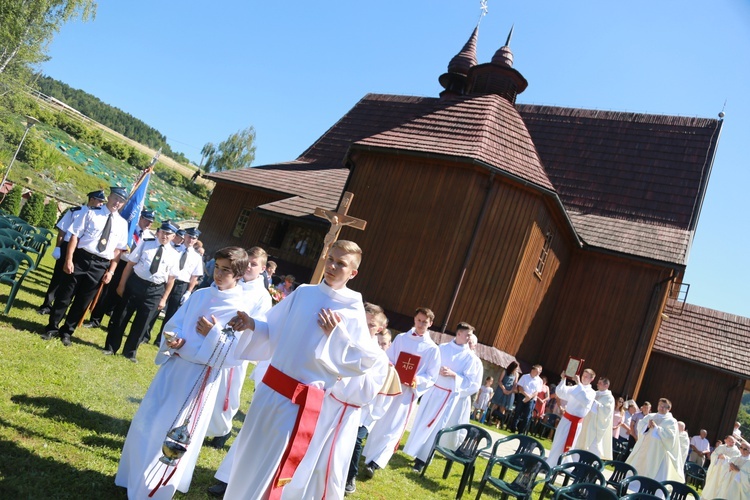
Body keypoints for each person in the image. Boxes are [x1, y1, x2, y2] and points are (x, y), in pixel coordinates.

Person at [220, 240, 383, 499]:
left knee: (271, 466)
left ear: (353, 273)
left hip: (298, 401)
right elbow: (274, 329)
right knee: (247, 456)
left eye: (341, 263)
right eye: (330, 258)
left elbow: (365, 360)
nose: (332, 266)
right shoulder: (304, 292)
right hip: (270, 389)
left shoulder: (352, 307)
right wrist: (252, 324)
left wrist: (335, 336)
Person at [114, 246, 253, 499]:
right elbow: (175, 324)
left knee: (176, 430)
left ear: (239, 274)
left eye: (226, 271)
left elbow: (234, 355)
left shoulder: (241, 309)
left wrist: (211, 334)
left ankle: (155, 487)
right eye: (217, 268)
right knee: (149, 422)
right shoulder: (200, 295)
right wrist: (174, 339)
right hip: (175, 369)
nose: (219, 275)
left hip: (199, 378)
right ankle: (132, 476)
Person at [282, 304, 389, 499]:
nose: (366, 327)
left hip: (347, 414)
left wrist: (346, 374)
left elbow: (367, 393)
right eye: (363, 322)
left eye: (371, 325)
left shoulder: (379, 357)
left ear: (380, 329)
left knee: (332, 464)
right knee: (307, 453)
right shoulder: (345, 341)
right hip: (326, 404)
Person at [42, 186, 129, 346]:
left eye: (121, 201)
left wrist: (111, 271)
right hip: (81, 258)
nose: (117, 202)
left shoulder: (122, 224)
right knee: (65, 296)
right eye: (116, 198)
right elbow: (74, 236)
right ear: (109, 197)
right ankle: (52, 327)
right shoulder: (90, 212)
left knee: (83, 302)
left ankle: (67, 331)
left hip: (100, 265)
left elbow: (118, 251)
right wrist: (69, 259)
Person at [204, 246, 273, 450]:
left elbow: (261, 324)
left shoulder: (263, 296)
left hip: (237, 348)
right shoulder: (233, 283)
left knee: (228, 392)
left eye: (254, 264)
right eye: (247, 262)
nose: (249, 267)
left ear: (262, 268)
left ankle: (222, 430)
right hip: (214, 339)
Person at [362, 307, 441, 477]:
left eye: (425, 322)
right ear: (414, 319)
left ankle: (376, 462)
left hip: (407, 393)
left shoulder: (432, 348)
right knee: (381, 421)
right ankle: (369, 455)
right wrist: (391, 367)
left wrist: (417, 380)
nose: (421, 324)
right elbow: (389, 358)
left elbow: (432, 375)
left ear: (430, 324)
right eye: (419, 320)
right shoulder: (401, 338)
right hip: (391, 385)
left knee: (394, 427)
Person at [403, 322, 482, 473]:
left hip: (447, 396)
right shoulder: (442, 348)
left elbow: (472, 383)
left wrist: (454, 375)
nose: (469, 338)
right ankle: (413, 451)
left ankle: (422, 460)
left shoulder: (470, 358)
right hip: (433, 391)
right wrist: (435, 370)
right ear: (459, 334)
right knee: (422, 422)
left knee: (436, 428)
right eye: (468, 335)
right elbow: (429, 365)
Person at [103, 221, 180, 362]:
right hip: (136, 284)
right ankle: (110, 347)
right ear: (158, 232)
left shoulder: (175, 255)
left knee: (142, 323)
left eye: (168, 234)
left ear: (173, 236)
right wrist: (121, 285)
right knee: (121, 316)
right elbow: (130, 265)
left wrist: (163, 299)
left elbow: (171, 280)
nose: (164, 236)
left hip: (155, 290)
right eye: (163, 232)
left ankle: (130, 352)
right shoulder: (145, 243)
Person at [84, 209, 157, 330]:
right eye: (147, 220)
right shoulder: (129, 229)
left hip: (134, 268)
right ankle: (95, 319)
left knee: (124, 296)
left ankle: (113, 323)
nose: (149, 223)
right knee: (107, 292)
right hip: (121, 263)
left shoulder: (150, 237)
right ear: (140, 217)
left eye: (151, 222)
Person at [38, 190, 106, 315]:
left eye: (102, 202)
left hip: (82, 251)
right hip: (67, 246)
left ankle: (61, 308)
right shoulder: (76, 211)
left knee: (72, 282)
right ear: (91, 199)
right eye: (99, 201)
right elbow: (62, 230)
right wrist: (58, 247)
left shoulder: (101, 216)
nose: (101, 204)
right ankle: (47, 305)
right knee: (58, 277)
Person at [153, 227, 204, 345]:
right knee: (157, 308)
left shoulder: (196, 257)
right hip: (169, 280)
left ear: (196, 240)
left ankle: (160, 339)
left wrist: (188, 292)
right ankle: (145, 334)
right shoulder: (174, 249)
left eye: (194, 238)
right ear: (185, 236)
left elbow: (194, 277)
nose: (191, 240)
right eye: (189, 236)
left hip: (182, 285)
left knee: (172, 314)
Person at [626, 398, 685, 482]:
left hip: (659, 452)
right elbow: (640, 426)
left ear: (669, 409)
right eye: (660, 406)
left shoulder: (672, 421)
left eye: (664, 407)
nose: (661, 408)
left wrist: (657, 428)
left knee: (655, 474)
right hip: (645, 448)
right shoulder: (650, 416)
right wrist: (647, 426)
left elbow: (670, 437)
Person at [546, 368, 596, 466]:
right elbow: (561, 393)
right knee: (558, 441)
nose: (583, 378)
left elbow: (585, 401)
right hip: (566, 419)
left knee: (567, 445)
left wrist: (579, 384)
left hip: (575, 422)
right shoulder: (575, 387)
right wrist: (563, 379)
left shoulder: (591, 392)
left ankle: (561, 464)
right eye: (583, 376)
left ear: (592, 379)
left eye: (586, 377)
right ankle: (552, 463)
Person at [576, 377, 615, 460]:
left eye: (600, 383)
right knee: (580, 442)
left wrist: (595, 404)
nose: (597, 384)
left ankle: (593, 466)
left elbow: (606, 412)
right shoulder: (595, 393)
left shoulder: (609, 398)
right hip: (587, 423)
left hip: (596, 427)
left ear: (606, 385)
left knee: (594, 446)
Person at [510, 364, 544, 434]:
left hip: (531, 399)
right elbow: (520, 387)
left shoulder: (539, 380)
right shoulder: (525, 377)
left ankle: (521, 431)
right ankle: (513, 428)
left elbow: (537, 391)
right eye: (537, 371)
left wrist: (529, 397)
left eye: (539, 372)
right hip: (522, 396)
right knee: (518, 412)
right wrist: (526, 395)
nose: (538, 373)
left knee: (527, 416)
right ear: (533, 370)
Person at [702, 434, 740, 499]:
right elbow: (713, 455)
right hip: (716, 471)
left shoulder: (737, 451)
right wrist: (718, 457)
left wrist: (725, 458)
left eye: (733, 441)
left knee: (722, 488)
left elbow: (735, 462)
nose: (731, 443)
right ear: (725, 440)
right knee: (712, 486)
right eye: (729, 441)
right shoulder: (721, 447)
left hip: (726, 473)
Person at [488, 361, 519, 428]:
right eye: (516, 368)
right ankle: (490, 419)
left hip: (509, 391)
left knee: (503, 407)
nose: (517, 370)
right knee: (496, 405)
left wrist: (510, 391)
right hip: (501, 389)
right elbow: (500, 381)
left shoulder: (516, 374)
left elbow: (515, 384)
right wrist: (503, 389)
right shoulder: (505, 371)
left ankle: (498, 422)